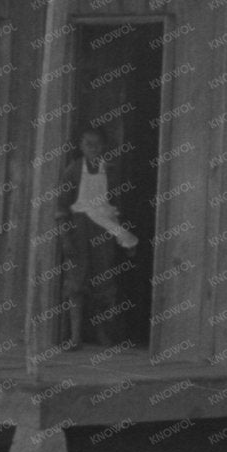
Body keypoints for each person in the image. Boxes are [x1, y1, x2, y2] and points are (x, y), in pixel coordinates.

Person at [56, 127, 141, 349]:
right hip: (79, 230)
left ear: (104, 146)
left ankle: (103, 335)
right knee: (76, 283)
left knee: (104, 283)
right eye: (88, 144)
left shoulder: (111, 172)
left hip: (103, 231)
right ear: (81, 146)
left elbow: (117, 207)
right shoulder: (73, 171)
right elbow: (62, 207)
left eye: (97, 144)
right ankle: (75, 337)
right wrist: (66, 237)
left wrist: (123, 236)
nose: (93, 149)